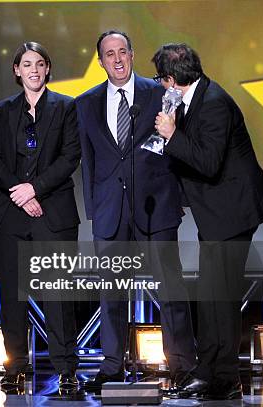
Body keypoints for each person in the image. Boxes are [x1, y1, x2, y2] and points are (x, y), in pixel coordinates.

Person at [75, 31, 196, 390]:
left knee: (170, 290)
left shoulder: (160, 93)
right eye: (109, 54)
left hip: (156, 206)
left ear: (132, 54)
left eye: (122, 52)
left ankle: (182, 366)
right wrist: (97, 210)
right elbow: (89, 161)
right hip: (111, 211)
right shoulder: (86, 103)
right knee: (112, 294)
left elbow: (175, 146)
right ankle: (112, 365)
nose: (117, 59)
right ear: (100, 61)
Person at [153, 43, 263, 400]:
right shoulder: (194, 96)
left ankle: (224, 378)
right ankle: (212, 373)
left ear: (171, 79)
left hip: (233, 211)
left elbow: (207, 162)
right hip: (216, 211)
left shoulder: (214, 102)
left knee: (221, 296)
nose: (160, 85)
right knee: (212, 295)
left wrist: (172, 135)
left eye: (160, 78)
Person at [0, 42, 81, 389]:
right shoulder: (2, 110)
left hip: (52, 212)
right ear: (17, 71)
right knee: (13, 296)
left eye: (40, 64)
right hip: (10, 214)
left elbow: (70, 156)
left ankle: (66, 368)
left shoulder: (67, 107)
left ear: (48, 69)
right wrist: (20, 192)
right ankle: (16, 366)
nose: (34, 70)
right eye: (27, 64)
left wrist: (34, 189)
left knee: (57, 294)